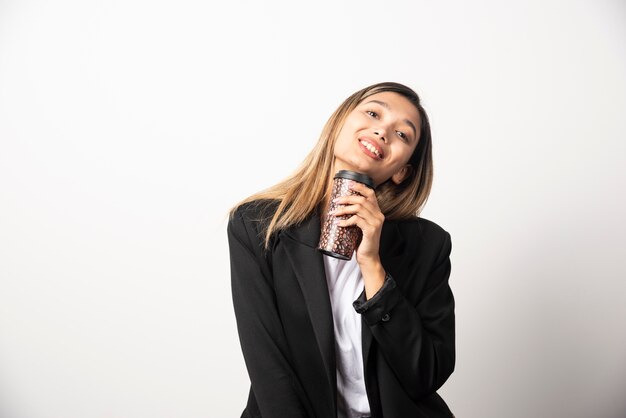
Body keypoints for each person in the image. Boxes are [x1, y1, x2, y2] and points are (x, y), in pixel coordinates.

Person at [227, 82, 456, 418]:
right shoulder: (258, 225)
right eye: (373, 113)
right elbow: (269, 366)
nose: (382, 131)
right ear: (340, 123)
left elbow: (426, 374)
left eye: (403, 135)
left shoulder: (427, 245)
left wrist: (372, 263)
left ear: (401, 171)